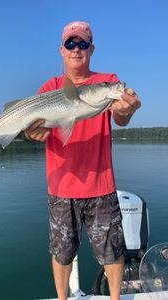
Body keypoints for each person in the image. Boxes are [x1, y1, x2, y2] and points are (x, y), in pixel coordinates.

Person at [25, 21, 141, 300]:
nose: (76, 49)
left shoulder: (107, 82)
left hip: (100, 184)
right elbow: (34, 130)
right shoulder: (50, 87)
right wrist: (31, 133)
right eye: (70, 44)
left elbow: (121, 118)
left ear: (91, 49)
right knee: (62, 252)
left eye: (82, 44)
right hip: (61, 186)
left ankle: (115, 299)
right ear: (62, 51)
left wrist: (127, 111)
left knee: (112, 250)